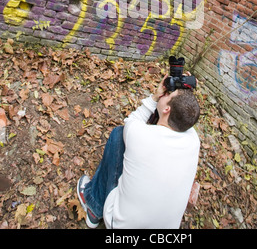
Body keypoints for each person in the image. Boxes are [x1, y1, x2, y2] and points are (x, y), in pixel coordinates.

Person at [77, 74, 200, 229]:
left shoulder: (140, 135)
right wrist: (185, 93)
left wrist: (155, 96)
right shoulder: (194, 141)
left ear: (167, 109)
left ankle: (93, 206)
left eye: (168, 95)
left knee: (117, 135)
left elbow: (132, 120)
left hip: (119, 225)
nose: (166, 94)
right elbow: (185, 113)